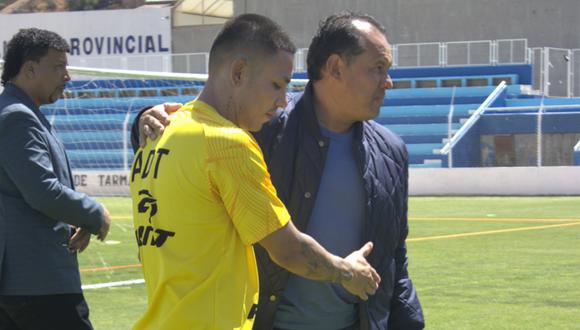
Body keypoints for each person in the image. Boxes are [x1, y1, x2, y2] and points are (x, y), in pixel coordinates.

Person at [129, 14, 380, 330]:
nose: (282, 101)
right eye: (276, 84)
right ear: (238, 72)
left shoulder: (156, 135)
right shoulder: (227, 143)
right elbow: (289, 251)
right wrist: (347, 272)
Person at [0, 28, 111, 329]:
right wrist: (93, 213)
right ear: (30, 69)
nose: (68, 76)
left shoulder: (21, 113)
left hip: (25, 283)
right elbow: (42, 191)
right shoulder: (16, 117)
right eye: (59, 66)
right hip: (37, 283)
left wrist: (78, 221)